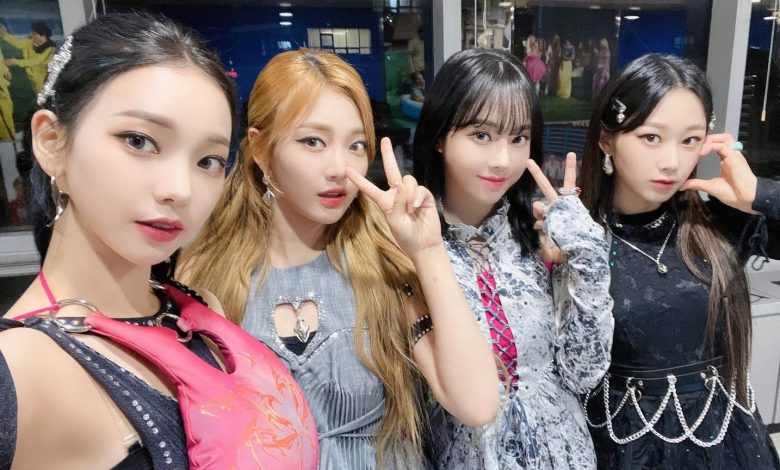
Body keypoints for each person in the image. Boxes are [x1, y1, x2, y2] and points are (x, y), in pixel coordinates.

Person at [0, 13, 317, 469]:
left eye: (208, 160)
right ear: (52, 141)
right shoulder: (20, 372)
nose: (180, 190)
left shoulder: (197, 311)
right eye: (139, 140)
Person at [178, 49, 499, 468]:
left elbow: (477, 403)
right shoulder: (206, 271)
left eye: (356, 145)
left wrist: (428, 252)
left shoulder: (381, 260)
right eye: (313, 141)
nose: (340, 168)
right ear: (259, 148)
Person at [412, 47, 614, 469]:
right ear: (439, 137)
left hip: (564, 453)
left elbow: (583, 374)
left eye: (518, 138)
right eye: (481, 135)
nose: (502, 160)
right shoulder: (413, 246)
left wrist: (589, 260)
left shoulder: (542, 237)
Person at [580, 53, 780, 469]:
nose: (672, 161)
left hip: (727, 445)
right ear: (606, 140)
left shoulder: (716, 224)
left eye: (690, 140)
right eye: (651, 137)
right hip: (624, 450)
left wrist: (759, 194)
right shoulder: (579, 238)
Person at [0, 21, 56, 93]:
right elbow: (18, 43)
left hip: (44, 77)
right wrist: (4, 34)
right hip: (33, 76)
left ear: (42, 35)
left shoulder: (50, 48)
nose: (31, 35)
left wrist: (15, 61)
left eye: (34, 33)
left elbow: (36, 61)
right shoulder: (32, 42)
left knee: (44, 94)